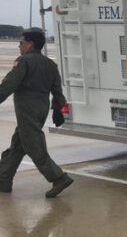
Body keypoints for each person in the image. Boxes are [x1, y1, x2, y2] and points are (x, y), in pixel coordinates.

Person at [0, 28, 73, 197]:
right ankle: (3, 179)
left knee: (34, 147)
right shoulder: (50, 64)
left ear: (30, 44)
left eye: (21, 43)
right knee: (18, 145)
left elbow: (9, 85)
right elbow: (57, 91)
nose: (19, 46)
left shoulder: (24, 61)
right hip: (41, 109)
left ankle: (58, 178)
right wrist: (58, 110)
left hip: (27, 110)